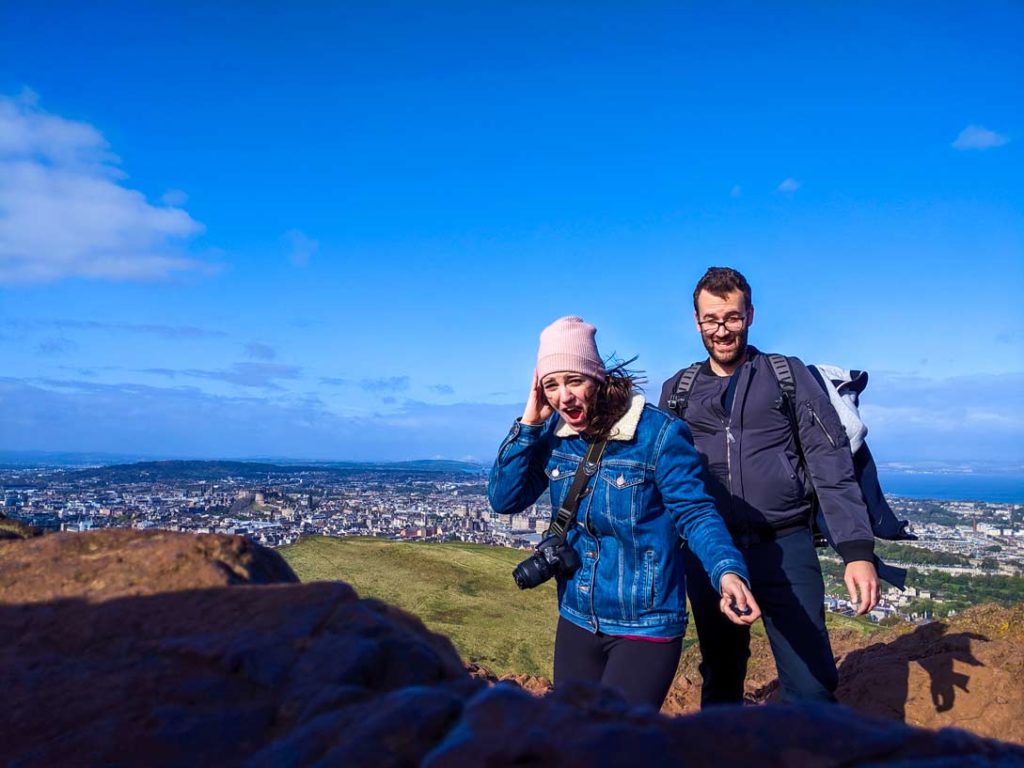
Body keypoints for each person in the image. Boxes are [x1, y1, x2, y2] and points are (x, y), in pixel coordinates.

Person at [488, 315, 761, 710]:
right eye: (551, 386)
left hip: (645, 623)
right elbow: (503, 497)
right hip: (578, 616)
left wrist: (727, 571)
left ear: (597, 377)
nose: (564, 397)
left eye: (573, 380)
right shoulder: (555, 436)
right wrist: (530, 422)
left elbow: (696, 512)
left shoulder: (659, 434)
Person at [658, 266, 881, 706]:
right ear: (696, 322)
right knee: (720, 677)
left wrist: (857, 552)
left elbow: (829, 462)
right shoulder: (677, 391)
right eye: (711, 320)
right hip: (709, 554)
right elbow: (663, 481)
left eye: (732, 318)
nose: (722, 331)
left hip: (785, 546)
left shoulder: (787, 376)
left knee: (811, 681)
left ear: (750, 316)